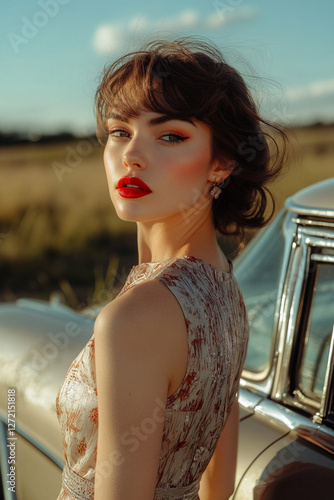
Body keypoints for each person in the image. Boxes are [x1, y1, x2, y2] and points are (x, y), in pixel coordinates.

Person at [56, 37, 288, 500]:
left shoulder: (135, 319)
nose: (132, 155)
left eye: (170, 136)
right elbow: (217, 488)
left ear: (222, 162)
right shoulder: (223, 282)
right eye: (120, 131)